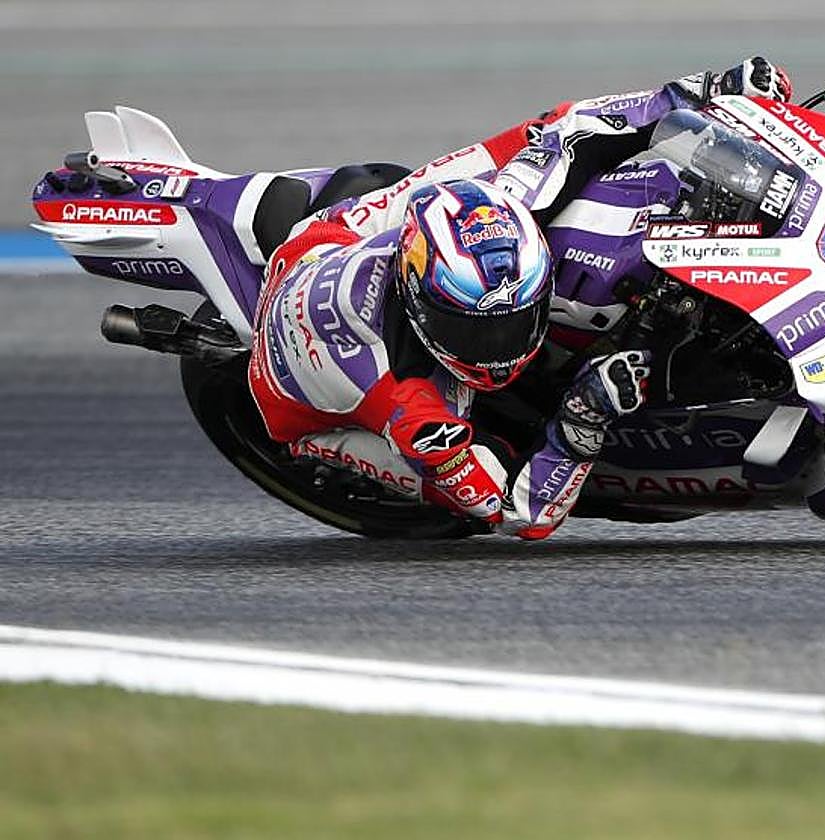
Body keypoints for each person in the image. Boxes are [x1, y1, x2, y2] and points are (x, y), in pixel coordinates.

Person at [247, 57, 792, 539]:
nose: (505, 345)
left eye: (519, 315)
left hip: (333, 240)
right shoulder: (419, 411)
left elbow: (572, 126)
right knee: (472, 475)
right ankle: (333, 444)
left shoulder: (504, 207)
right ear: (422, 308)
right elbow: (520, 517)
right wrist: (584, 417)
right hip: (315, 390)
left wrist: (708, 89)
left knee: (517, 149)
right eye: (481, 332)